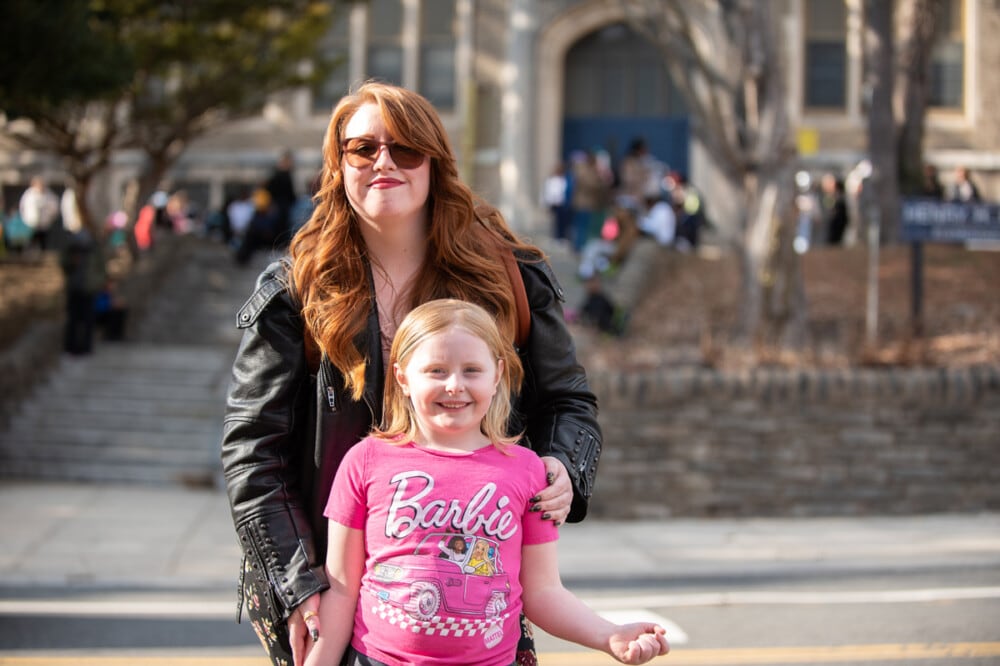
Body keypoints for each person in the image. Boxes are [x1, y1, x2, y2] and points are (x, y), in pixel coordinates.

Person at [222, 81, 603, 666]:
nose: (384, 163)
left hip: (470, 589)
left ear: (435, 163)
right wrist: (299, 583)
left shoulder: (509, 276)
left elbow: (569, 403)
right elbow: (253, 452)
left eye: (405, 149)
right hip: (326, 588)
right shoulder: (292, 291)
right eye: (363, 148)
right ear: (338, 163)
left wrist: (562, 468)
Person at [303, 299, 668, 666]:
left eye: (471, 370)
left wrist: (607, 635)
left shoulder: (525, 471)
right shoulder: (364, 461)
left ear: (497, 375)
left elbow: (542, 591)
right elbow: (342, 588)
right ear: (403, 377)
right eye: (436, 370)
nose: (454, 385)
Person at [19, 176, 59, 252]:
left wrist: (50, 218)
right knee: (30, 243)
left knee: (43, 244)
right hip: (31, 224)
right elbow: (22, 207)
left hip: (44, 225)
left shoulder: (49, 194)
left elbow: (54, 208)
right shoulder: (28, 195)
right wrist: (26, 219)